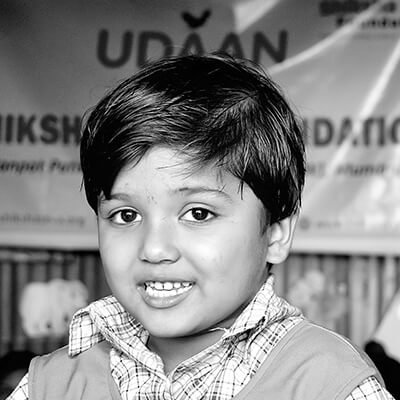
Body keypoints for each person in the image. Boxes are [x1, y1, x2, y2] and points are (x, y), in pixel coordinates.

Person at [8, 53, 395, 399]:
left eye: (197, 214)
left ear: (276, 233)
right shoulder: (51, 384)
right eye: (126, 215)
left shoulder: (331, 385)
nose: (154, 249)